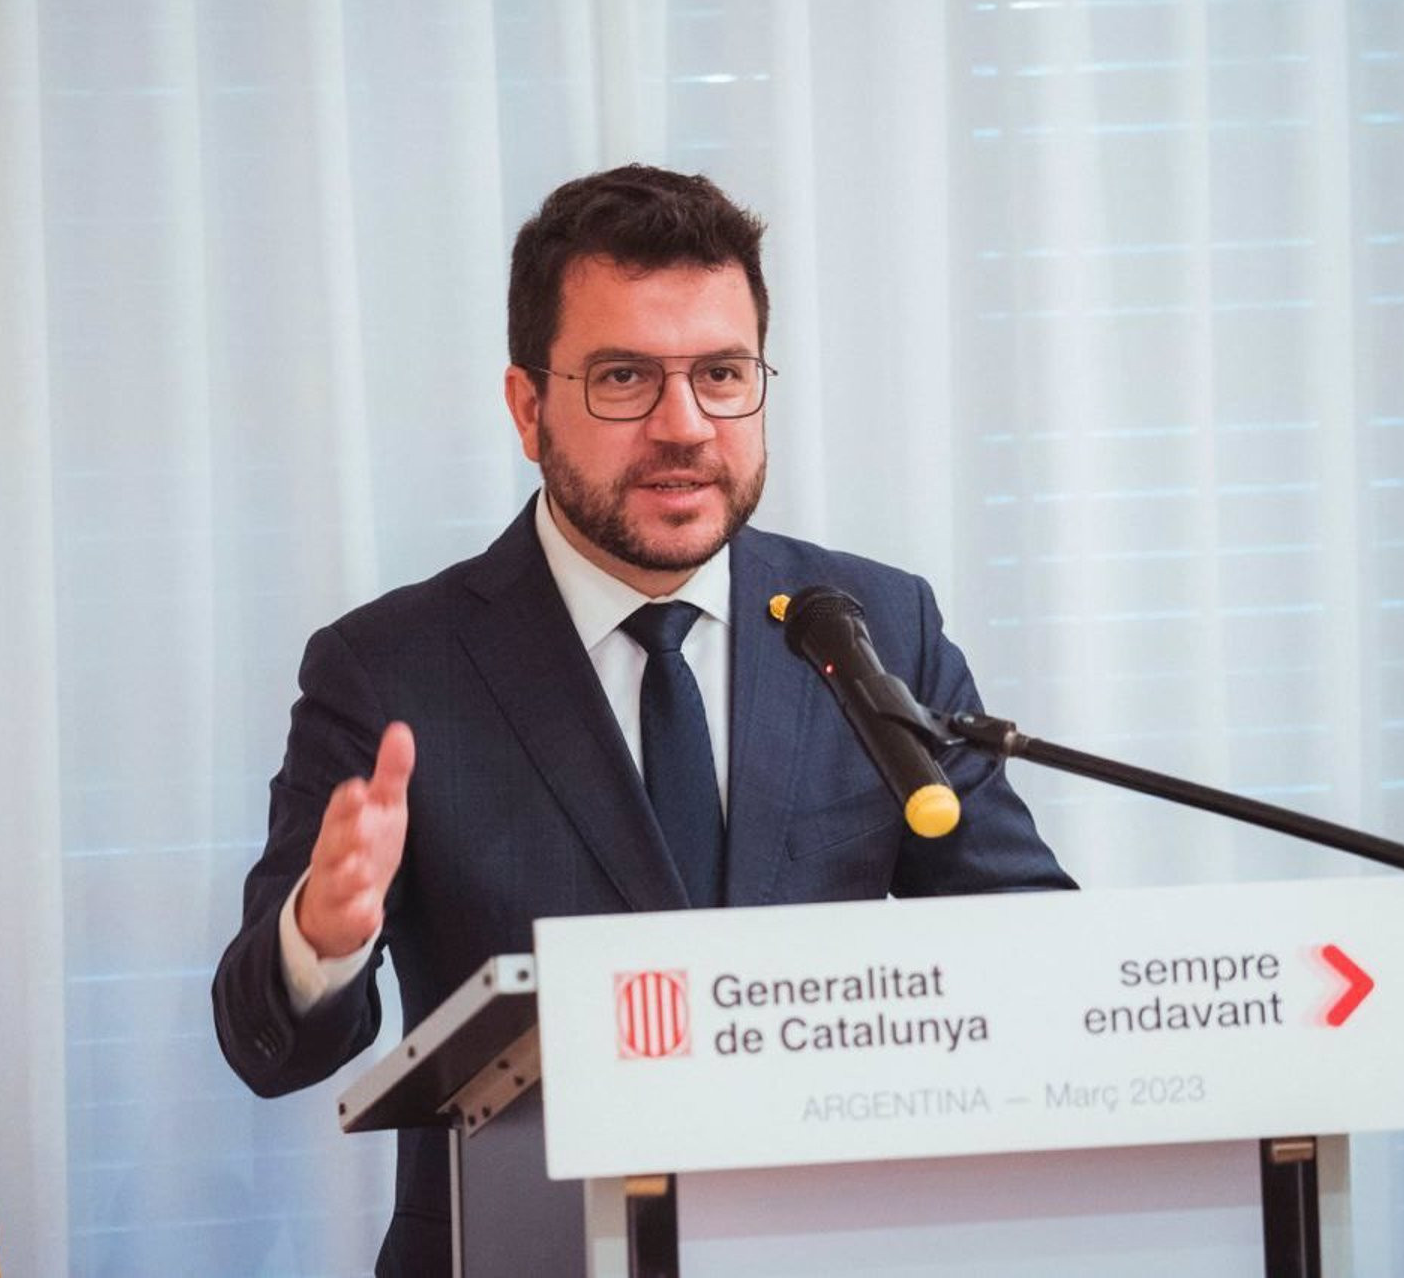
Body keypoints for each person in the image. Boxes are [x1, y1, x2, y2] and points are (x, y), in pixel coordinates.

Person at [212, 164, 1074, 1274]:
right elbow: (264, 1042)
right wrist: (320, 938)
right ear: (529, 407)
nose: (685, 426)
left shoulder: (866, 626)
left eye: (722, 373)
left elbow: (1031, 941)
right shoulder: (389, 667)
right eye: (625, 377)